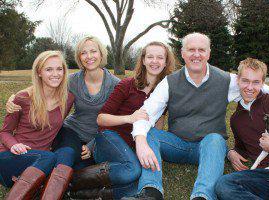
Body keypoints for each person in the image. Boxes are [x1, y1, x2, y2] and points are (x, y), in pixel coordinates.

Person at [121, 33, 269, 200]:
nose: (196, 54)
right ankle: (151, 191)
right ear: (183, 54)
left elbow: (252, 82)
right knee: (148, 133)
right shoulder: (170, 82)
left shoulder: (225, 80)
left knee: (215, 139)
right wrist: (141, 141)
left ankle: (202, 196)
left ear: (209, 53)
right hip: (177, 145)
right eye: (191, 50)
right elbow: (147, 112)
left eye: (202, 50)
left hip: (209, 148)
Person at [5, 36, 120, 199]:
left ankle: (55, 190)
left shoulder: (114, 85)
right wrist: (14, 97)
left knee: (76, 167)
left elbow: (116, 119)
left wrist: (93, 144)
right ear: (79, 57)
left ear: (101, 54)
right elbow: (42, 83)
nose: (89, 56)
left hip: (92, 138)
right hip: (63, 136)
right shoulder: (71, 81)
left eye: (93, 51)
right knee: (59, 158)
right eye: (83, 53)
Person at [68, 41, 175, 200]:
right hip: (108, 138)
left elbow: (156, 127)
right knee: (132, 170)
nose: (154, 61)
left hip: (130, 147)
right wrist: (130, 118)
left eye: (160, 57)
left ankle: (81, 194)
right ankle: (71, 180)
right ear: (143, 60)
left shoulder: (164, 93)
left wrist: (151, 147)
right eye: (150, 57)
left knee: (136, 184)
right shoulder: (127, 84)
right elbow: (101, 119)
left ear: (166, 62)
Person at [215, 58, 269, 200]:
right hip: (262, 177)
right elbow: (242, 148)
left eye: (256, 82)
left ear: (262, 83)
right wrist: (231, 153)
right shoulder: (235, 119)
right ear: (237, 81)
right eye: (245, 81)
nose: (250, 87)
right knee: (224, 185)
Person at [0, 51, 75, 200]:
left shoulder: (67, 99)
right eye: (49, 69)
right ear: (39, 72)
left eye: (59, 69)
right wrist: (14, 145)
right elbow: (5, 132)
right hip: (12, 156)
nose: (55, 74)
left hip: (42, 160)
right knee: (49, 157)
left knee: (67, 154)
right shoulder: (23, 98)